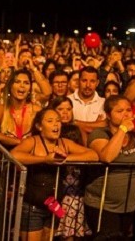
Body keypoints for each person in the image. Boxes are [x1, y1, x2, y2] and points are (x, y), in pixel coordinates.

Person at [82, 95, 135, 241]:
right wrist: (123, 129)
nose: (126, 114)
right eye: (119, 111)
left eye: (128, 110)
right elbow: (107, 157)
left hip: (129, 206)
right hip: (102, 205)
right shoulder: (100, 133)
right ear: (108, 115)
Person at [12, 108, 98, 241]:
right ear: (39, 126)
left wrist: (64, 158)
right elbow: (14, 155)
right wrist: (45, 159)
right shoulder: (32, 141)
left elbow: (93, 155)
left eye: (58, 121)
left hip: (54, 205)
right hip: (33, 205)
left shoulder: (64, 143)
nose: (56, 124)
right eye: (50, 121)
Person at [49, 96, 91, 240]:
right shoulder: (51, 131)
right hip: (56, 187)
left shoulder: (77, 129)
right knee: (53, 229)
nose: (65, 112)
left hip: (74, 186)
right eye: (60, 109)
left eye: (68, 109)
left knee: (70, 230)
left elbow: (87, 150)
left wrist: (67, 158)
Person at [0, 68, 40, 149]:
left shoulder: (36, 110)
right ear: (10, 86)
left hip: (30, 154)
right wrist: (17, 141)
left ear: (30, 89)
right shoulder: (1, 108)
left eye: (26, 83)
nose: (22, 85)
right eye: (17, 82)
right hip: (6, 155)